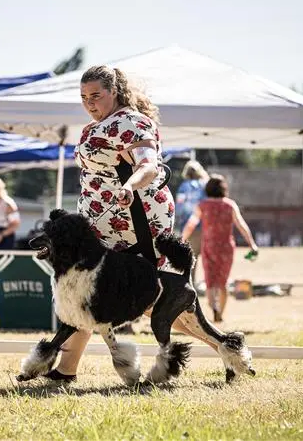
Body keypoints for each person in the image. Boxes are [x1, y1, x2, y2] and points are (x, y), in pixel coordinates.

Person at [44, 65, 227, 382]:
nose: (89, 102)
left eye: (96, 95)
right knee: (86, 295)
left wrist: (129, 187)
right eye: (84, 97)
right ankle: (65, 370)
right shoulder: (93, 128)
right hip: (99, 226)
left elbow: (149, 166)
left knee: (146, 300)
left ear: (113, 92)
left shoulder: (132, 123)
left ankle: (224, 346)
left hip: (132, 223)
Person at [182, 174, 258, 322]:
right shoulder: (230, 205)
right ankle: (220, 313)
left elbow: (191, 224)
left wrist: (182, 239)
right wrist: (252, 244)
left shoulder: (202, 205)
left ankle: (213, 306)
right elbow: (241, 225)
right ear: (224, 189)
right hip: (226, 248)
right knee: (222, 283)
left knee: (210, 282)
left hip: (209, 246)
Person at [175, 160, 209, 293]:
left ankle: (191, 284)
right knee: (206, 257)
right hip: (204, 226)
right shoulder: (203, 186)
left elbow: (179, 208)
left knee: (191, 258)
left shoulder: (183, 187)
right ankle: (207, 284)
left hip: (188, 227)